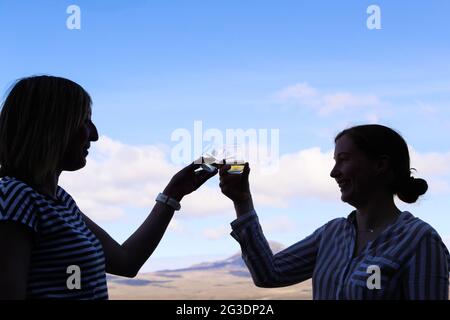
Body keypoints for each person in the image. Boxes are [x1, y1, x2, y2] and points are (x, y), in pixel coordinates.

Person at [0, 75, 217, 299]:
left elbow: (126, 262)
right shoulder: (14, 197)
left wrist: (173, 194)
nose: (94, 134)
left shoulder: (60, 201)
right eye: (84, 120)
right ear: (51, 127)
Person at [219, 124, 450, 300]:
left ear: (380, 165)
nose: (333, 172)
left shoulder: (419, 240)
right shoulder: (331, 234)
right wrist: (243, 202)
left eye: (344, 160)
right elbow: (268, 274)